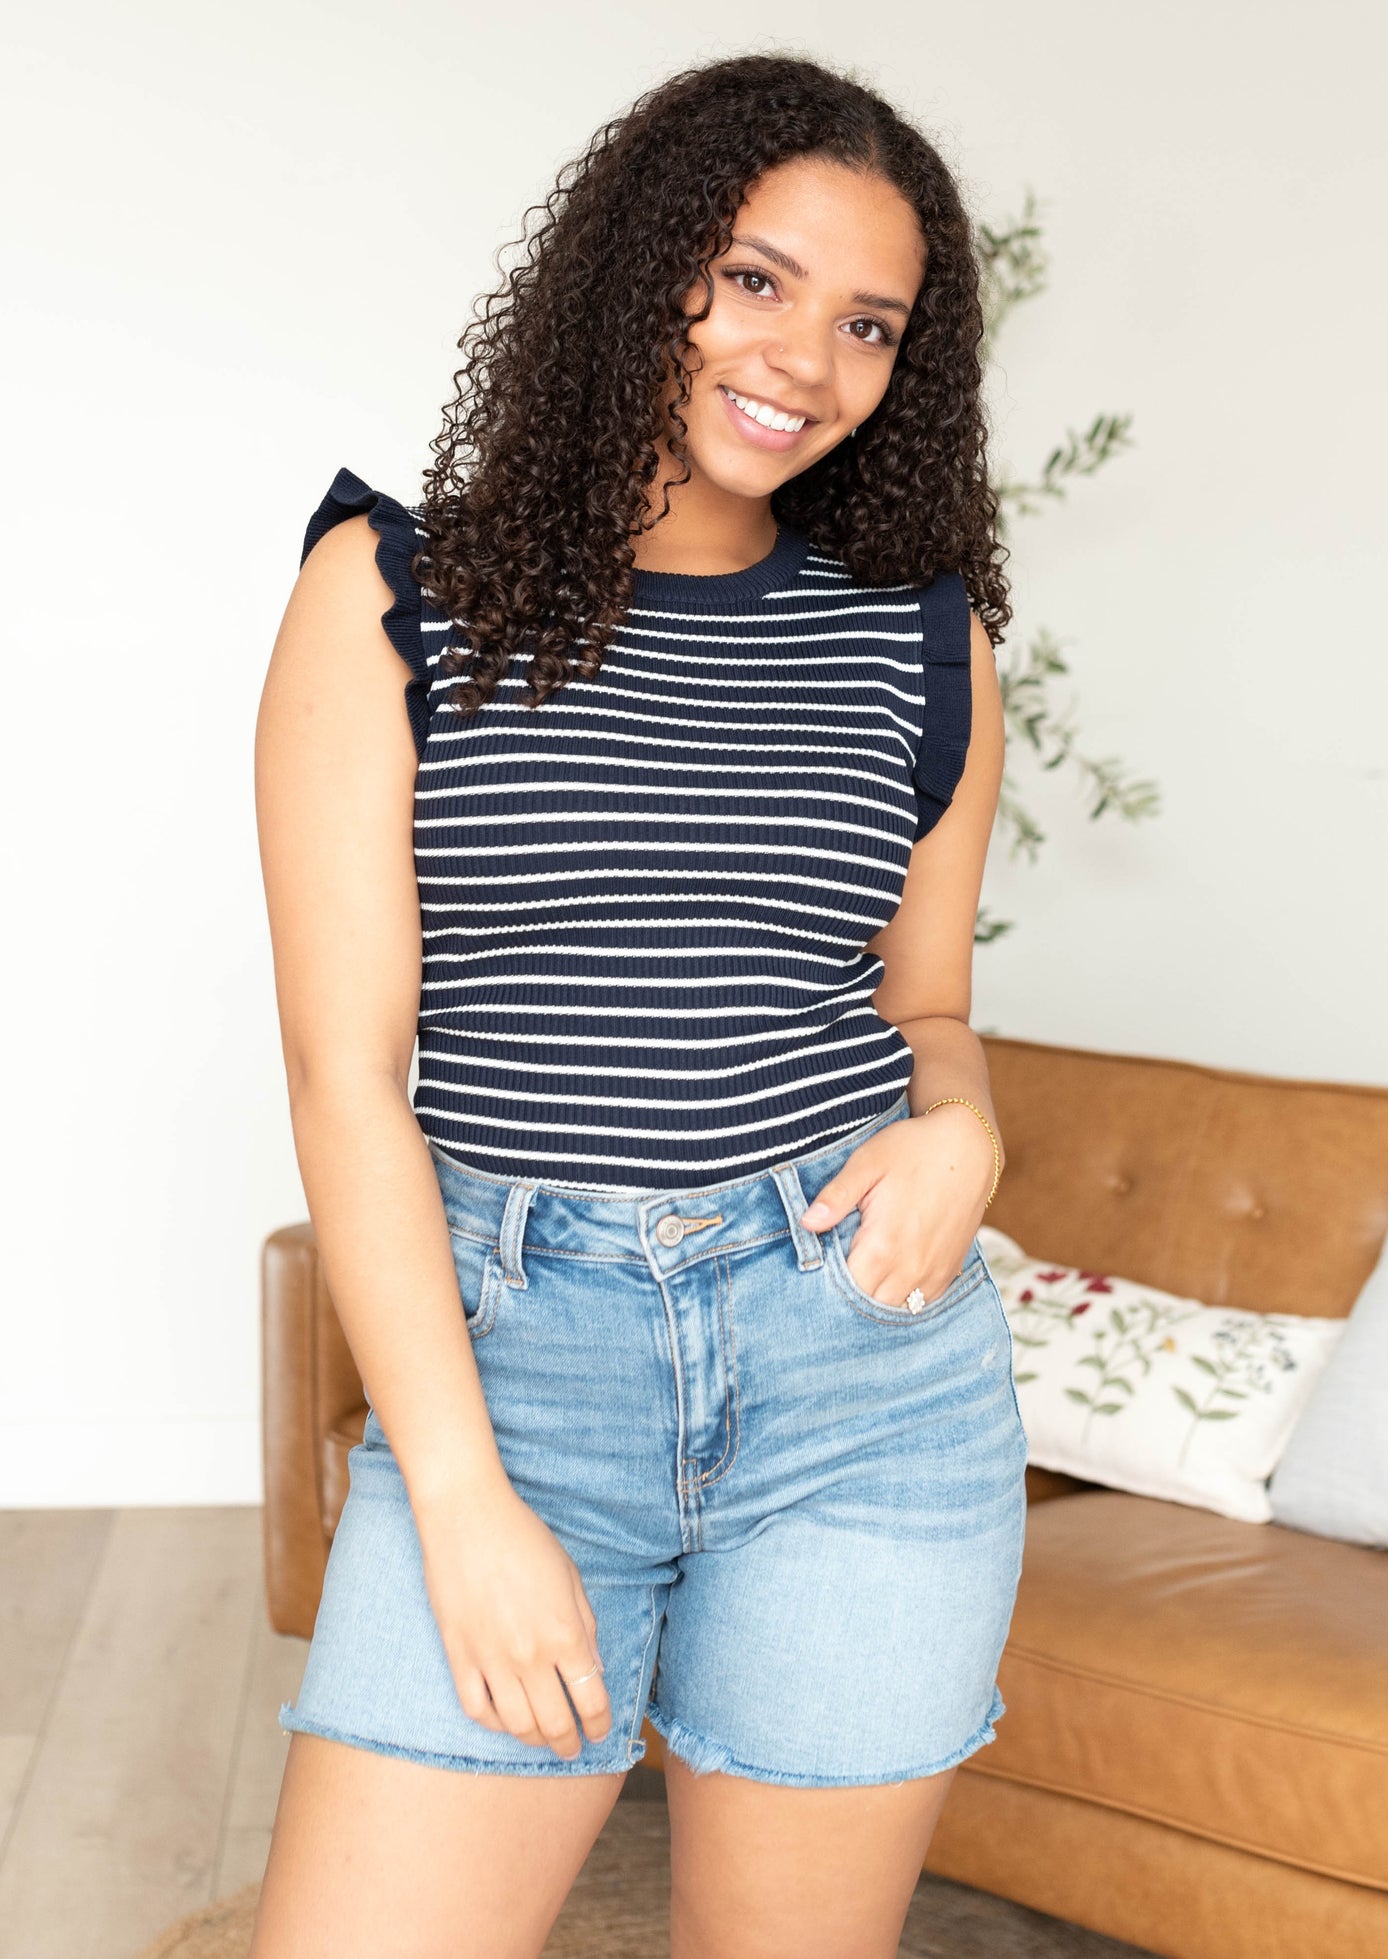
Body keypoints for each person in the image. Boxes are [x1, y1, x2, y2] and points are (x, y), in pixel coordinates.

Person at [251, 49, 1026, 1959]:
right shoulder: (395, 590)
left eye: (868, 324)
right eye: (755, 281)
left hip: (866, 1368)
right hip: (515, 1369)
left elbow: (924, 1007)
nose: (805, 364)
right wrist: (458, 1494)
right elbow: (349, 1083)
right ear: (640, 270)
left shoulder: (923, 634)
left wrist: (973, 1130)